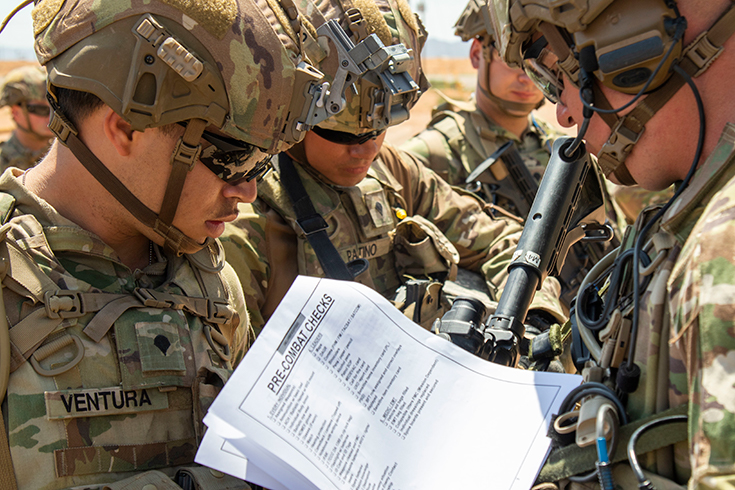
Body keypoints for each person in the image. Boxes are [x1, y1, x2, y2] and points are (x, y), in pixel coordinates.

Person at [0, 0, 383, 488]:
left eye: (263, 165)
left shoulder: (210, 279)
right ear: (125, 129)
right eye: (233, 159)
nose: (247, 192)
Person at [486, 0, 735, 487]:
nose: (560, 112)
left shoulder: (722, 246)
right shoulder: (685, 214)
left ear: (635, 49)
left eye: (556, 75)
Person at [221, 0, 567, 349]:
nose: (366, 150)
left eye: (381, 129)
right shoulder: (247, 213)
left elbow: (503, 241)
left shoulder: (395, 171)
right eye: (343, 135)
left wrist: (533, 316)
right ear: (294, 116)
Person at [401, 0, 616, 311]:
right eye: (511, 60)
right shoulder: (433, 151)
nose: (527, 76)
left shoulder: (561, 147)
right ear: (477, 54)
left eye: (544, 60)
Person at [0, 65, 53, 172]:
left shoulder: (66, 157)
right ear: (16, 112)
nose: (51, 116)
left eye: (55, 109)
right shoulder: (3, 163)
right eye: (41, 109)